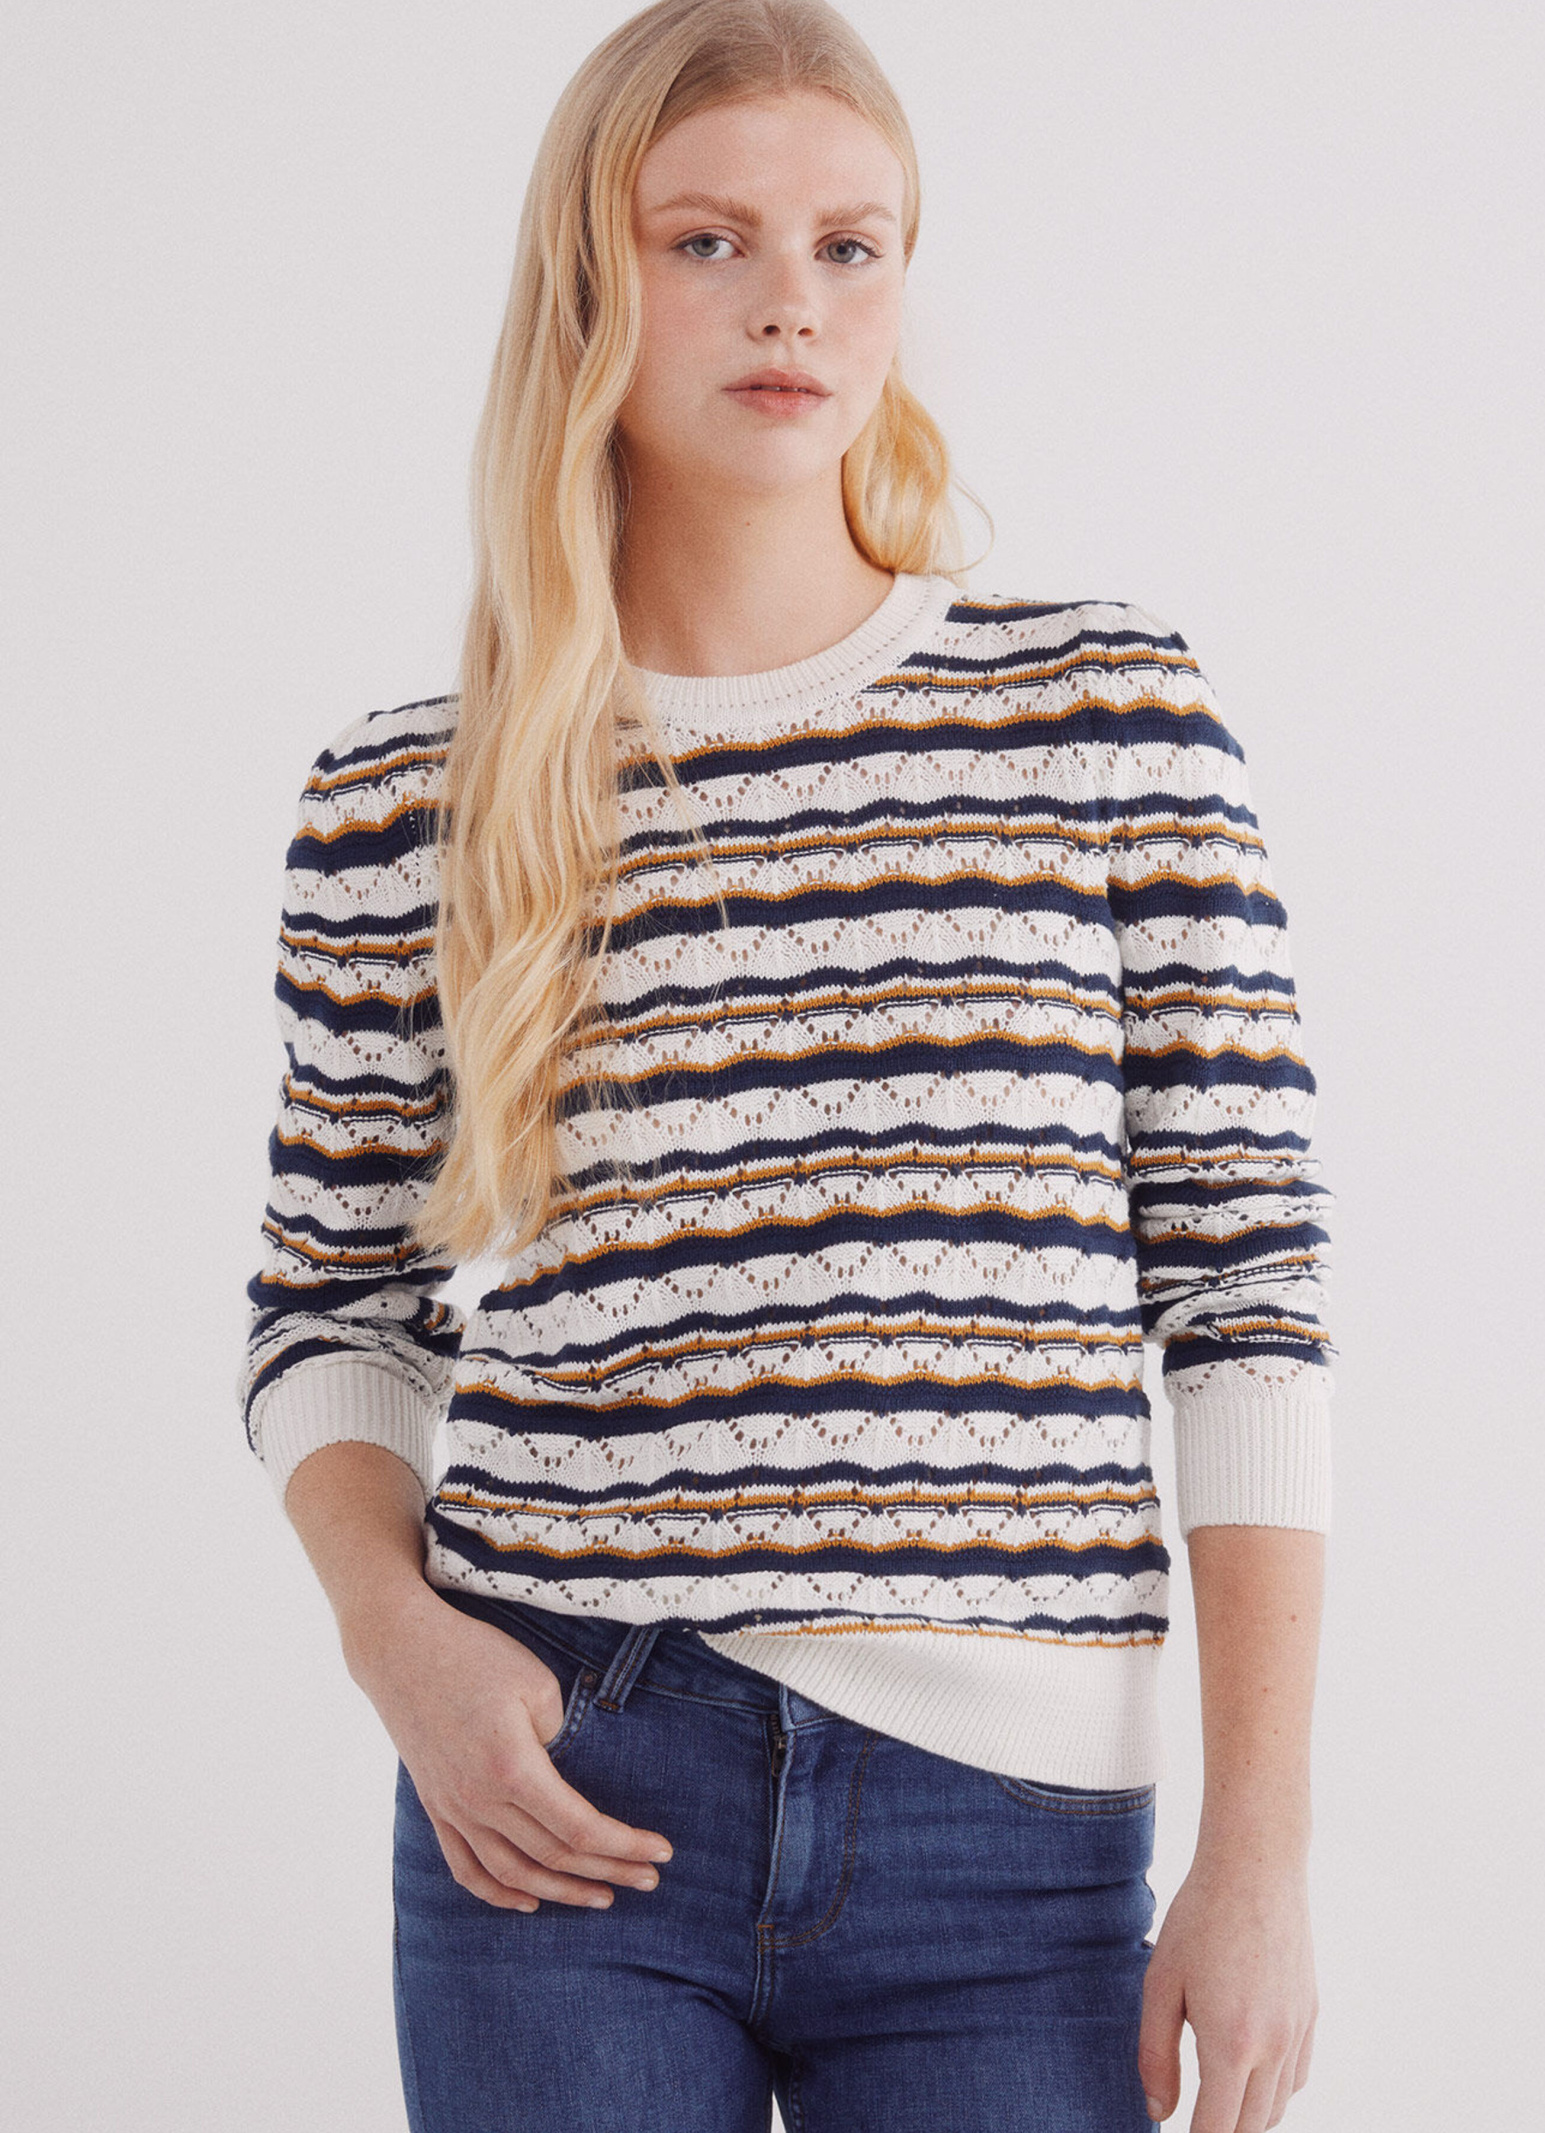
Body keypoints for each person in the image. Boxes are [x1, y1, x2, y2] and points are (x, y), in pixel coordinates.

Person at [236, 3, 1335, 2128]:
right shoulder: (408, 801)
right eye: (707, 240)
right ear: (589, 281)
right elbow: (329, 1309)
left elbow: (1244, 1294)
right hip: (557, 1789)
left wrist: (1260, 1848)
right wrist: (398, 1640)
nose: (790, 303)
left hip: (1009, 1838)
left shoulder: (1101, 717)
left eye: (851, 244)